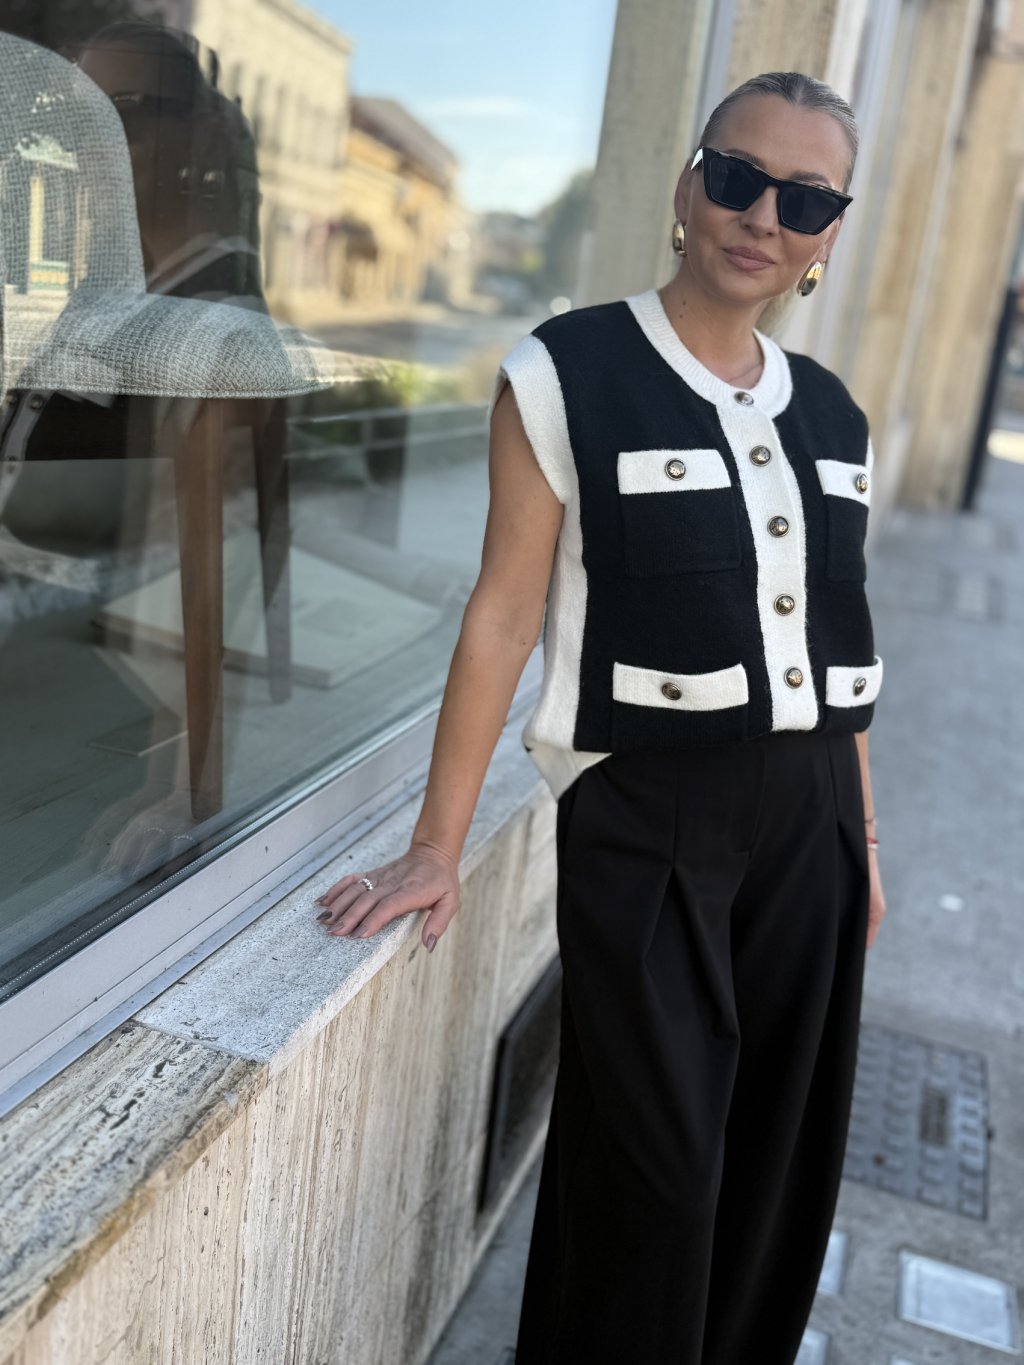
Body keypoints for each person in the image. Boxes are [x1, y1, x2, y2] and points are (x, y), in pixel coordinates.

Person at [315, 70, 887, 1365]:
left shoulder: (835, 412)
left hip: (811, 827)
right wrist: (436, 845)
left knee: (774, 1160)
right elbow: (503, 616)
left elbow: (839, 653)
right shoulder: (566, 369)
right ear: (689, 185)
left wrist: (863, 840)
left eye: (806, 199)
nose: (764, 216)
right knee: (652, 1182)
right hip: (646, 818)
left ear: (829, 233)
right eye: (738, 177)